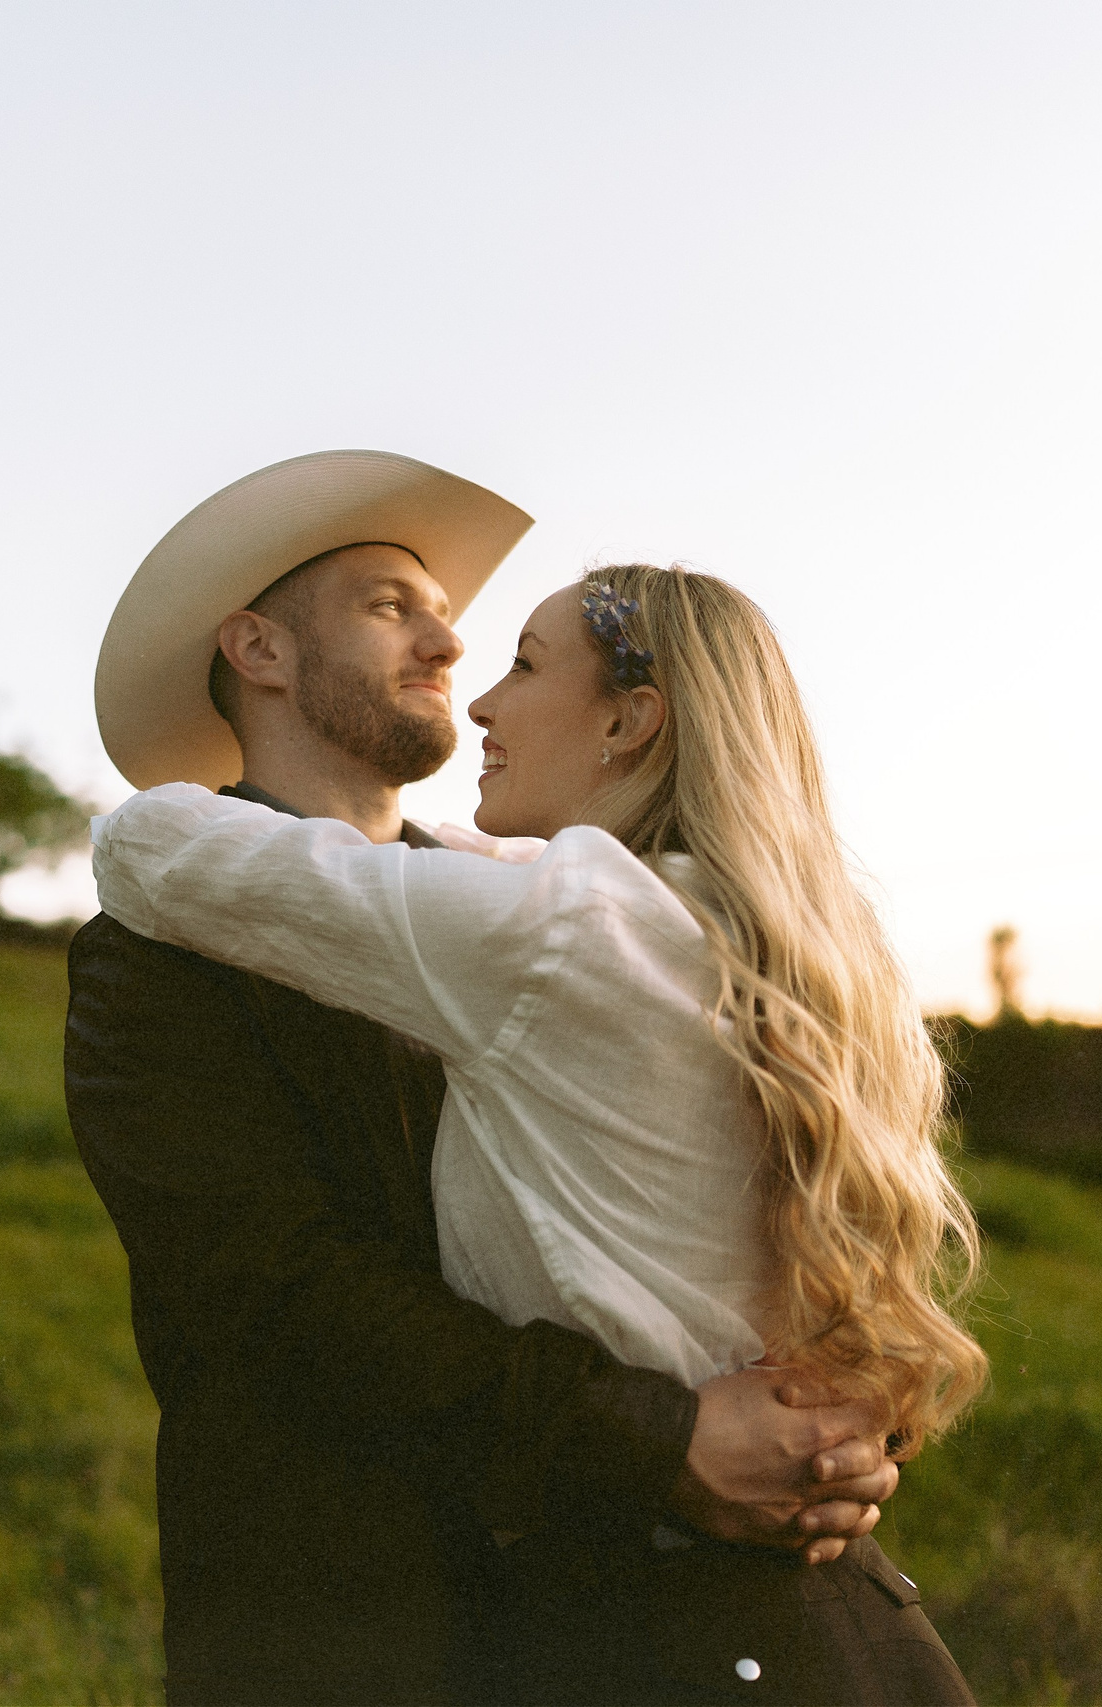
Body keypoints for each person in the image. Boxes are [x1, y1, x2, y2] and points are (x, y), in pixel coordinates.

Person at [67, 452, 905, 1707]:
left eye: (466, 624)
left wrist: (819, 1439)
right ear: (259, 649)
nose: (450, 644)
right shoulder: (156, 960)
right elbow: (263, 1299)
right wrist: (677, 1440)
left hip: (633, 1616)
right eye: (387, 605)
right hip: (351, 1625)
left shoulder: (539, 912)